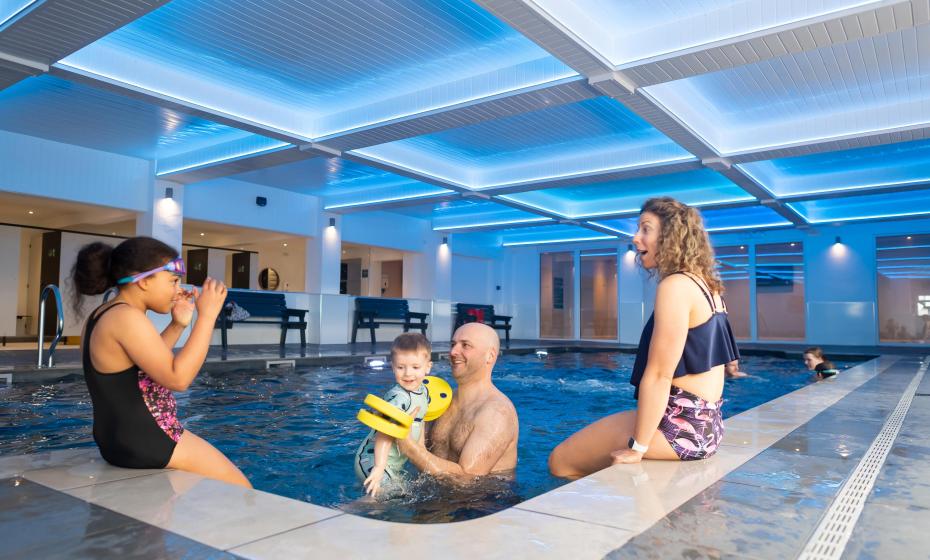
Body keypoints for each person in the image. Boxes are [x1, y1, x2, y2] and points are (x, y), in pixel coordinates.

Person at [548, 197, 739, 478]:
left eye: (645, 229)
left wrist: (638, 448)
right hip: (707, 428)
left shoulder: (675, 286)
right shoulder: (708, 287)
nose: (636, 238)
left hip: (679, 430)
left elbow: (660, 374)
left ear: (672, 236)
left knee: (561, 461)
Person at [72, 236, 250, 488]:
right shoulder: (127, 318)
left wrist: (177, 325)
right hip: (149, 439)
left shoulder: (103, 314)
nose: (179, 289)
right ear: (144, 281)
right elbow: (179, 379)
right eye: (173, 281)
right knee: (243, 489)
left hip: (114, 442)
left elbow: (140, 368)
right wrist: (207, 317)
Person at [395, 322, 518, 481]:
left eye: (465, 345)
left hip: (482, 502)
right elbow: (417, 446)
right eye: (453, 344)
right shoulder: (439, 401)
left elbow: (467, 479)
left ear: (490, 356)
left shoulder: (497, 413)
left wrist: (408, 447)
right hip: (430, 495)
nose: (453, 352)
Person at [354, 333, 431, 496]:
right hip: (372, 460)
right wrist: (379, 467)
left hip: (392, 463)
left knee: (402, 494)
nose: (408, 374)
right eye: (400, 367)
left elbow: (421, 420)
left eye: (415, 367)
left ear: (428, 367)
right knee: (389, 498)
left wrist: (422, 451)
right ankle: (347, 513)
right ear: (392, 367)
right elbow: (384, 433)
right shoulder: (399, 398)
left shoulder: (424, 392)